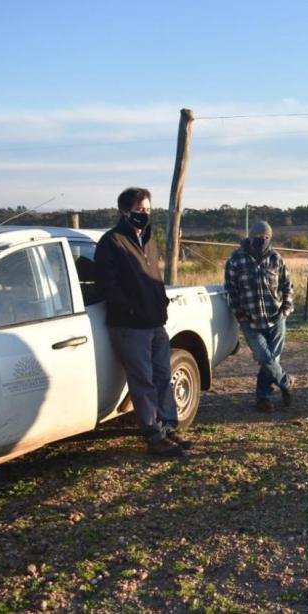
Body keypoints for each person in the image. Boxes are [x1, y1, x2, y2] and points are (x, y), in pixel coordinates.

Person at [95, 187, 191, 457]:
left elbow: (154, 277)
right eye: (140, 210)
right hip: (129, 325)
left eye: (148, 210)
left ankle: (168, 427)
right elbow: (107, 285)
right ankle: (153, 435)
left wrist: (161, 303)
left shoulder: (148, 239)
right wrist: (131, 310)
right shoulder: (112, 242)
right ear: (125, 212)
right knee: (143, 380)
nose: (144, 215)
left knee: (163, 375)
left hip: (155, 322)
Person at [225, 221, 296, 412]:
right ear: (250, 237)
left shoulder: (276, 258)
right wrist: (240, 314)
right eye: (258, 237)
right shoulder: (236, 259)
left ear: (270, 238)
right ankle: (286, 382)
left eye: (266, 237)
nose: (262, 240)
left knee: (273, 359)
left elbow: (287, 286)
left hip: (276, 318)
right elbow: (230, 289)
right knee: (265, 358)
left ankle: (263, 398)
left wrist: (286, 309)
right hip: (250, 320)